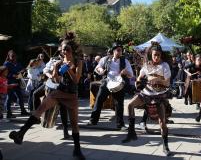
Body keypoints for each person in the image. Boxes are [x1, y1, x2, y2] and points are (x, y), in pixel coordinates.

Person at [9, 32, 85, 160]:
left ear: (72, 49)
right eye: (62, 49)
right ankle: (20, 134)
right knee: (40, 109)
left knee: (74, 124)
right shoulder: (59, 62)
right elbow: (55, 80)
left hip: (71, 95)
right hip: (59, 92)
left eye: (67, 49)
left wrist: (69, 69)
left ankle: (77, 150)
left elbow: (76, 80)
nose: (64, 51)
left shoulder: (78, 62)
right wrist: (55, 68)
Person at [122, 42, 172, 156]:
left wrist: (158, 80)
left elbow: (167, 82)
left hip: (160, 94)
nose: (157, 57)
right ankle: (131, 132)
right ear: (151, 54)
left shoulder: (165, 66)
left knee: (162, 122)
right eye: (155, 55)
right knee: (130, 105)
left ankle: (165, 145)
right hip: (146, 93)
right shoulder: (146, 65)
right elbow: (139, 78)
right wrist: (138, 82)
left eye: (159, 55)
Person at [88, 42, 133, 129]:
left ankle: (120, 124)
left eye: (121, 50)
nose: (120, 52)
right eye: (118, 50)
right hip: (107, 81)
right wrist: (101, 70)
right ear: (113, 51)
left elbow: (131, 75)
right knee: (99, 99)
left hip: (119, 83)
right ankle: (93, 120)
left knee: (119, 104)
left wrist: (126, 72)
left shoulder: (125, 61)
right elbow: (97, 68)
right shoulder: (105, 59)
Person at [3, 50, 30, 118]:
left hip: (17, 82)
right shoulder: (6, 64)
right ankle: (8, 113)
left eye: (14, 56)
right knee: (9, 98)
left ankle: (23, 111)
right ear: (9, 56)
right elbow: (4, 73)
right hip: (10, 83)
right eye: (12, 56)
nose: (14, 57)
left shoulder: (18, 64)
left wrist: (23, 71)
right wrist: (12, 75)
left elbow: (21, 71)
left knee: (20, 97)